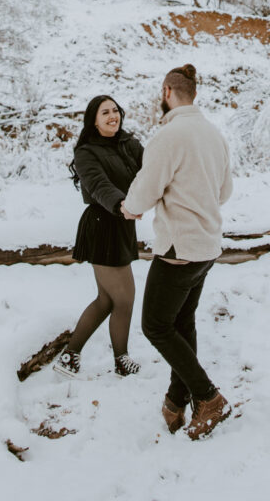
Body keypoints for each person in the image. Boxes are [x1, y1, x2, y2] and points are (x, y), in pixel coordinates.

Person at [121, 64, 233, 440]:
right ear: (193, 93)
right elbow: (224, 193)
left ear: (168, 91)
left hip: (178, 248)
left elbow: (144, 190)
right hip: (206, 248)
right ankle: (175, 401)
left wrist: (129, 207)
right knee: (181, 324)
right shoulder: (214, 135)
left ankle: (208, 397)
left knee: (155, 325)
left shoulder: (167, 136)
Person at [53, 95, 144, 379]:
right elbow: (98, 184)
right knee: (125, 298)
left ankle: (70, 356)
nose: (112, 115)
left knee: (107, 299)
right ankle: (121, 359)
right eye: (105, 112)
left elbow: (152, 174)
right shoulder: (86, 152)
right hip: (103, 224)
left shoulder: (131, 144)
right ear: (94, 120)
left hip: (123, 223)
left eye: (115, 110)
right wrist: (121, 204)